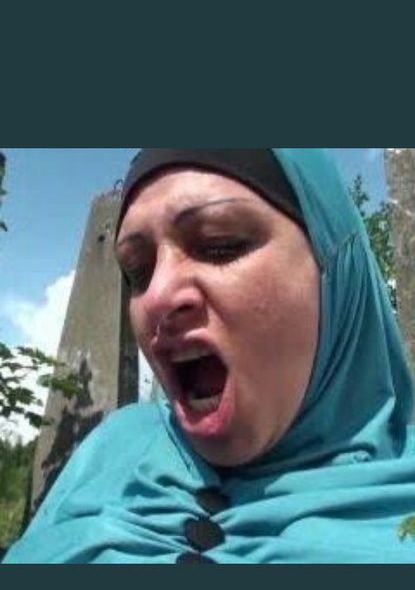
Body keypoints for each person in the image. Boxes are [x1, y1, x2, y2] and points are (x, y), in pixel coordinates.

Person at [3, 148, 415, 564]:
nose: (156, 296)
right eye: (137, 272)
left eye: (220, 245)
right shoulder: (112, 450)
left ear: (335, 271)